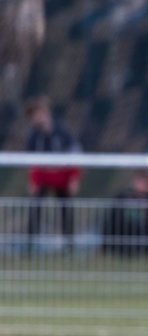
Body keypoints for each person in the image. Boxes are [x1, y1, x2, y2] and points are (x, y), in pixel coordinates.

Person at [24, 94, 82, 249]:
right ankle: (30, 245)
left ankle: (69, 246)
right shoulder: (33, 136)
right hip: (43, 177)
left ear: (45, 113)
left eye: (37, 113)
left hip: (62, 176)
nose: (35, 118)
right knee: (35, 206)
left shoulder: (62, 132)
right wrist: (33, 181)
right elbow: (32, 162)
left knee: (66, 209)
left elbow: (75, 155)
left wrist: (74, 178)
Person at [101, 170, 148, 257]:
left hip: (142, 229)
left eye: (145, 183)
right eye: (140, 183)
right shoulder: (123, 196)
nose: (142, 186)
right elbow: (114, 214)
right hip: (124, 228)